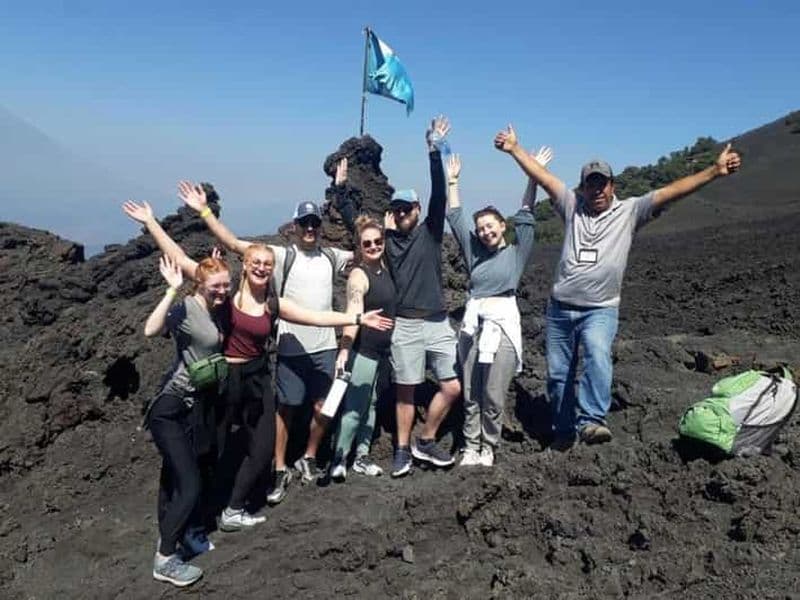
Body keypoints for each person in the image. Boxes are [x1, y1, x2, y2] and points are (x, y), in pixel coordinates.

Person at [123, 201, 391, 528]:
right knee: (214, 449)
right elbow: (182, 260)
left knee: (261, 447)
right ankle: (202, 514)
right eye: (256, 263)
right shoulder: (228, 290)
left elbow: (318, 316)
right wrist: (152, 222)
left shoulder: (274, 301)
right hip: (225, 379)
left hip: (258, 374)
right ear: (245, 264)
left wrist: (358, 317)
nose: (263, 268)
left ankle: (234, 507)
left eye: (266, 263)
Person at [494, 125, 742, 448]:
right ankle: (564, 432)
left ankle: (592, 421)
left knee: (597, 353)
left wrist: (714, 171)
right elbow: (543, 177)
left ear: (612, 186)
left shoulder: (630, 211)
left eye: (602, 183)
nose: (596, 190)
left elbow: (671, 191)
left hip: (600, 309)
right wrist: (515, 148)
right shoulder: (571, 206)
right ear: (582, 188)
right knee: (557, 377)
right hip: (559, 309)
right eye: (590, 184)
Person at [176, 183, 354, 502]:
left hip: (325, 346)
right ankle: (280, 467)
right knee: (286, 409)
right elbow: (231, 243)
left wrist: (347, 195)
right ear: (294, 227)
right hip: (289, 346)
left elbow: (369, 249)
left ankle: (309, 456)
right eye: (305, 224)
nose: (310, 229)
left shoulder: (332, 256)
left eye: (315, 223)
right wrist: (203, 210)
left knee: (322, 407)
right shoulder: (281, 256)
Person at [334, 115, 461, 477]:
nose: (404, 213)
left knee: (451, 387)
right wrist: (340, 191)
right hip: (404, 324)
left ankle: (427, 438)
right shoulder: (385, 243)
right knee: (406, 391)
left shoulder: (431, 232)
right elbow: (358, 227)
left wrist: (433, 151)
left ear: (418, 211)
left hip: (438, 322)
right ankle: (402, 450)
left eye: (409, 208)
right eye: (399, 208)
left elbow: (439, 192)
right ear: (394, 212)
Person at [445, 146, 553, 467]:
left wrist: (533, 172)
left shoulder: (516, 254)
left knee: (493, 392)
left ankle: (489, 445)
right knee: (470, 390)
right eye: (481, 229)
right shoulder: (473, 252)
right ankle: (470, 445)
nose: (485, 231)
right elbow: (455, 216)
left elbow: (526, 212)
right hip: (473, 321)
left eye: (491, 225)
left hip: (503, 322)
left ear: (502, 226)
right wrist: (452, 181)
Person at [143, 253, 228, 587]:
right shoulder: (187, 308)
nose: (222, 291)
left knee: (176, 477)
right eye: (215, 286)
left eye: (226, 284)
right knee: (189, 483)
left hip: (195, 406)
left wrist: (214, 262)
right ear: (199, 285)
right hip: (170, 408)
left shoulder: (214, 306)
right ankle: (165, 559)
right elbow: (151, 330)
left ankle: (178, 536)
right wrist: (171, 290)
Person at [330, 215, 397, 481]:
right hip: (364, 351)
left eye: (378, 241)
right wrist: (345, 349)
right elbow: (354, 310)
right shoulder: (359, 274)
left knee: (371, 405)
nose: (373, 246)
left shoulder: (386, 268)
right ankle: (339, 458)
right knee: (355, 407)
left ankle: (362, 456)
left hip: (383, 354)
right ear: (359, 247)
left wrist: (388, 230)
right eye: (366, 243)